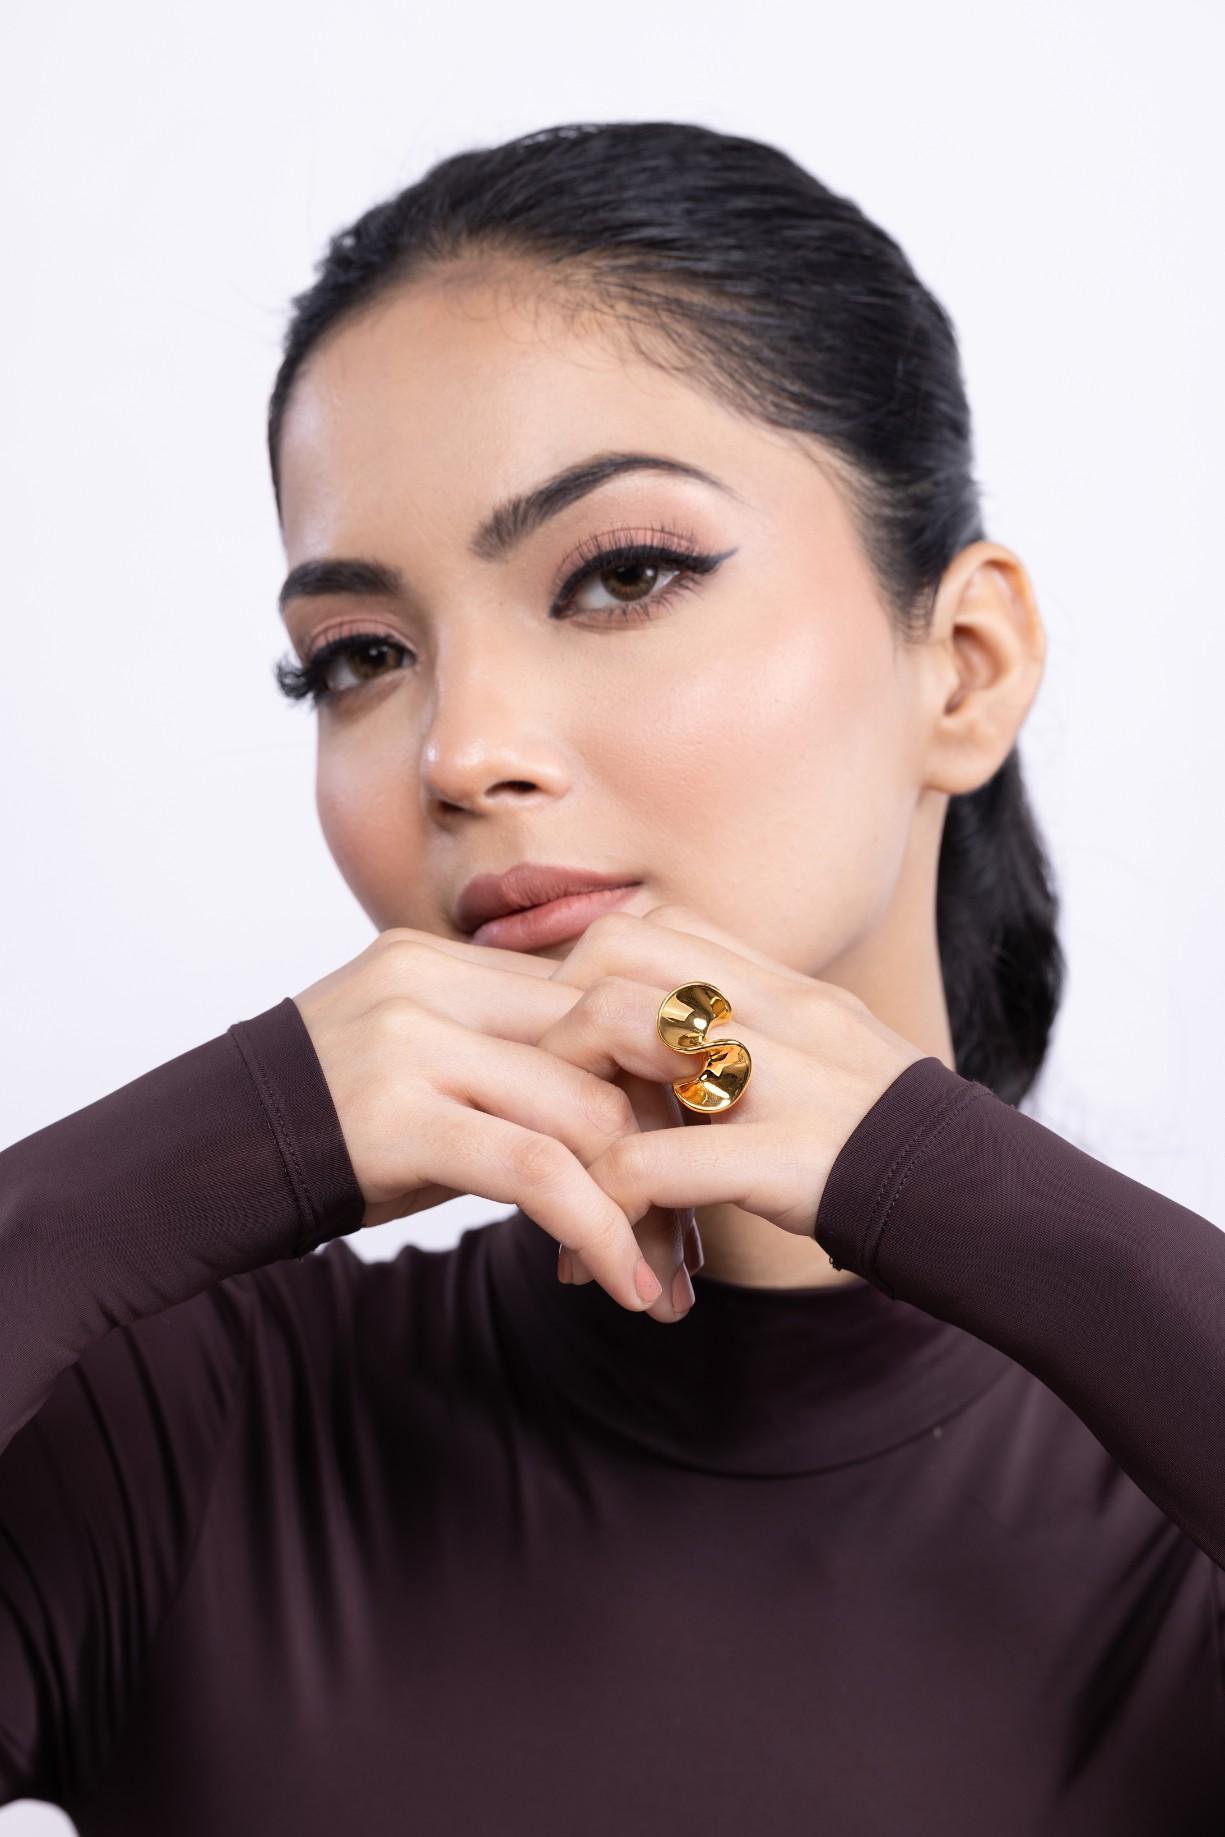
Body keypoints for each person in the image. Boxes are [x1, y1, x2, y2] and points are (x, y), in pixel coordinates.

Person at [1, 122, 1222, 1836]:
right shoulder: (175, 1445)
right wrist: (183, 1159)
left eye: (624, 575)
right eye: (359, 657)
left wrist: (932, 1176)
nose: (461, 752)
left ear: (963, 667)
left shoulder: (1177, 1512)